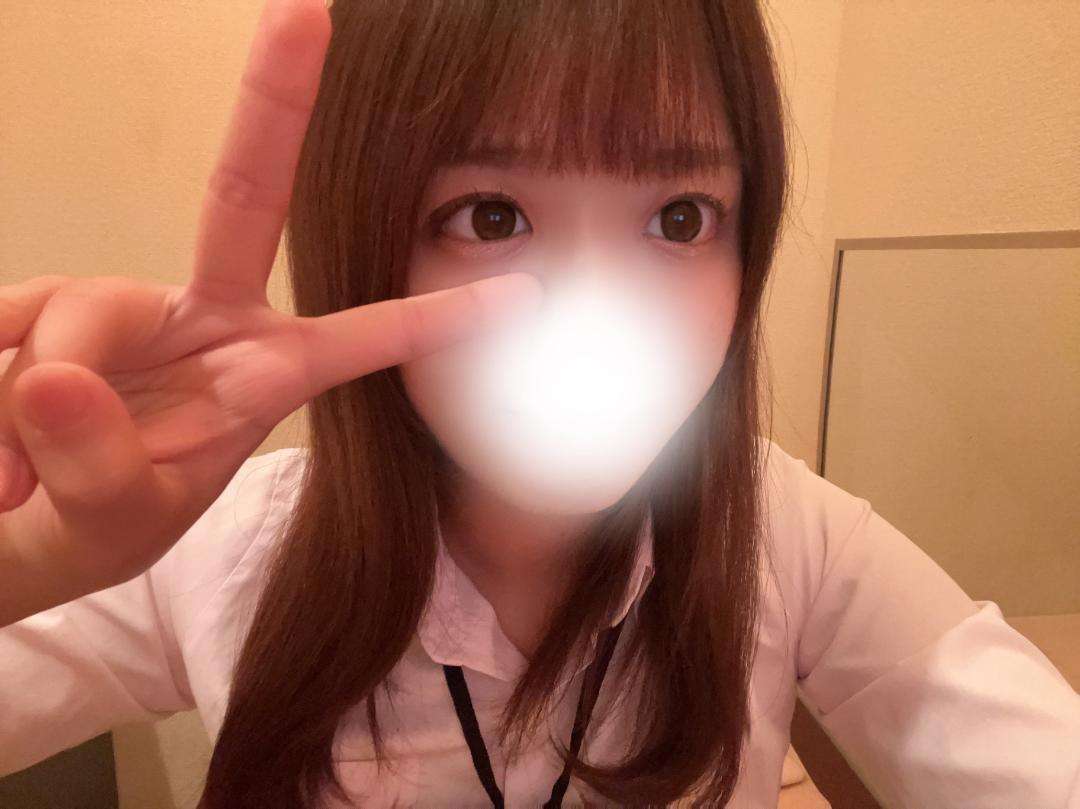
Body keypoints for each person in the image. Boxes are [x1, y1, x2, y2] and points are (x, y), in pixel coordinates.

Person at [1, 0, 1077, 807]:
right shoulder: (217, 543)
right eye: (493, 214)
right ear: (365, 237)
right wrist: (22, 565)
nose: (596, 316)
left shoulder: (789, 537)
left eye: (681, 218)